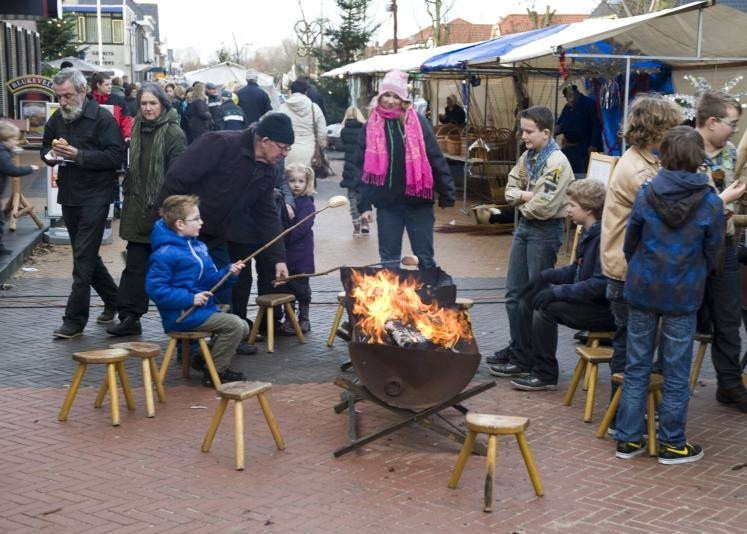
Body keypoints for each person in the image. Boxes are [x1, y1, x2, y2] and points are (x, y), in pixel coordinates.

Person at [615, 126, 724, 464]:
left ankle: (628, 440)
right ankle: (673, 444)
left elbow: (630, 242)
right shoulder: (710, 202)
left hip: (643, 288)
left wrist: (643, 268)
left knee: (637, 367)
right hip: (683, 292)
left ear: (664, 154)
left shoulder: (646, 193)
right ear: (697, 159)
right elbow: (713, 253)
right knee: (676, 372)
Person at [599, 94, 683, 394]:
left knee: (633, 340)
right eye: (671, 128)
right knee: (632, 343)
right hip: (627, 269)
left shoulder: (646, 161)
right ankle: (623, 413)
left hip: (628, 265)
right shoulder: (639, 171)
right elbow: (670, 214)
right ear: (656, 129)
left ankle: (628, 411)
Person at [155, 111, 292, 293]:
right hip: (184, 235)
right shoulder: (220, 143)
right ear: (265, 141)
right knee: (183, 292)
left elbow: (267, 214)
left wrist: (278, 259)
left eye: (288, 149)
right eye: (282, 147)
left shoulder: (268, 171)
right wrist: (165, 222)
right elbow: (176, 178)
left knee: (221, 297)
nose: (284, 154)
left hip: (217, 238)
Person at [497, 179, 614, 390]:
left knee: (545, 308)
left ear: (587, 209)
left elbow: (599, 284)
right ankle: (523, 358)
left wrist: (558, 292)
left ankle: (546, 373)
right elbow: (577, 270)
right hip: (591, 302)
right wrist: (545, 277)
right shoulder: (589, 232)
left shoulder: (602, 237)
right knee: (529, 298)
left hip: (604, 310)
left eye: (572, 205)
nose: (568, 209)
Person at [488, 106, 573, 372]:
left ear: (546, 133)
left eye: (528, 131)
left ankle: (537, 359)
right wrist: (526, 196)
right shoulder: (528, 157)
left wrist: (521, 201)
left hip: (545, 232)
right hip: (525, 228)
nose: (523, 136)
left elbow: (544, 206)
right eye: (522, 130)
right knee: (515, 294)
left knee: (536, 296)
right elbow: (510, 189)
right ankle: (520, 349)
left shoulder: (557, 164)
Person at [41, 68, 124, 338]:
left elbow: (114, 158)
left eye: (67, 96)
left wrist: (77, 154)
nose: (62, 102)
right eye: (59, 97)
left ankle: (74, 320)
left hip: (96, 196)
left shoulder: (102, 119)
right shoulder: (57, 118)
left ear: (82, 92)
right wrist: (51, 155)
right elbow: (44, 149)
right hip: (70, 195)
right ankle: (115, 301)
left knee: (82, 259)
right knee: (86, 254)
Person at [350, 69, 455, 269]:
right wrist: (363, 206)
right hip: (388, 204)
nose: (390, 101)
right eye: (386, 95)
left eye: (395, 96)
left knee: (424, 257)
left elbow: (435, 158)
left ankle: (429, 297)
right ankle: (392, 300)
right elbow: (360, 168)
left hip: (419, 203)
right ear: (379, 96)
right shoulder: (370, 126)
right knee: (389, 261)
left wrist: (447, 192)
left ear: (403, 99)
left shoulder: (418, 122)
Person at [107, 83, 187, 337]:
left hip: (162, 211)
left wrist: (165, 208)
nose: (148, 108)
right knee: (135, 265)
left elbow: (178, 174)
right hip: (137, 206)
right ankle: (130, 317)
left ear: (163, 104)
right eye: (144, 103)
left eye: (153, 103)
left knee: (171, 268)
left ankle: (185, 318)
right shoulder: (137, 128)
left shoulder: (174, 132)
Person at [146, 195, 249, 386]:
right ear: (179, 224)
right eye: (196, 219)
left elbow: (210, 282)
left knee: (243, 327)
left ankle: (202, 358)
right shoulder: (164, 254)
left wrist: (228, 273)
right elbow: (156, 289)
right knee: (234, 325)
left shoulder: (199, 247)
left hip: (201, 310)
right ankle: (215, 373)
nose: (202, 222)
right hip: (181, 315)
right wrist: (190, 298)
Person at [695, 90, 747, 412]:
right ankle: (658, 382)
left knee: (728, 319)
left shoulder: (730, 153)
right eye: (732, 124)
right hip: (691, 248)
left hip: (724, 246)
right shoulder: (682, 150)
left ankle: (729, 386)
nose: (735, 131)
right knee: (677, 318)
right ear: (712, 122)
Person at [277, 164, 315, 335]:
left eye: (300, 181)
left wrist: (284, 239)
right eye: (292, 181)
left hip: (301, 253)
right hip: (285, 253)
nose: (296, 185)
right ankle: (289, 318)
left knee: (301, 287)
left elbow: (303, 227)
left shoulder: (307, 203)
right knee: (286, 287)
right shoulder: (283, 201)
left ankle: (304, 317)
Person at [0, 121, 39, 255]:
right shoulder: (2, 153)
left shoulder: (4, 150)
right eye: (14, 139)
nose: (17, 142)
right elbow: (10, 169)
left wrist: (11, 151)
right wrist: (30, 168)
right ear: (6, 140)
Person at [555, 84, 602, 177]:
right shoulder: (567, 107)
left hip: (584, 148)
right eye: (567, 97)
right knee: (559, 170)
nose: (570, 100)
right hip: (568, 148)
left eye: (571, 96)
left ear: (576, 93)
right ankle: (554, 183)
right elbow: (560, 124)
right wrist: (556, 129)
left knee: (580, 175)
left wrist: (593, 144)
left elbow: (597, 125)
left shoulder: (589, 103)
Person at [279, 80, 327, 168]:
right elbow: (322, 132)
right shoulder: (314, 108)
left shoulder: (282, 108)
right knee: (309, 178)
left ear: (291, 91)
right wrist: (321, 146)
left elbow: (278, 131)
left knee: (290, 178)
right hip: (310, 151)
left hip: (289, 151)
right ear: (306, 92)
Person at [340, 106, 368, 236]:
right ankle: (365, 222)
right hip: (363, 166)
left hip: (349, 168)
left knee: (352, 197)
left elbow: (342, 146)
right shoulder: (365, 129)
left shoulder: (344, 131)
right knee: (364, 195)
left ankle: (356, 225)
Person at [89, 72, 133, 141]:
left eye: (110, 84)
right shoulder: (88, 99)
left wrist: (127, 135)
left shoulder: (118, 100)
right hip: (92, 140)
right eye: (106, 85)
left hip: (114, 138)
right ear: (98, 85)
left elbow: (126, 119)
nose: (110, 87)